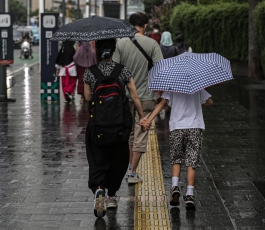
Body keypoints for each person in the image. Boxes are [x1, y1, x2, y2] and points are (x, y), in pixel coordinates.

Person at [83, 38, 146, 217]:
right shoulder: (123, 70)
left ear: (98, 50)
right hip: (120, 127)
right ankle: (111, 196)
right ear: (113, 50)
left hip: (98, 128)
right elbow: (134, 97)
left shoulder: (90, 72)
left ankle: (99, 189)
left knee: (97, 160)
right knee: (118, 161)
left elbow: (88, 98)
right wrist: (142, 117)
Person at [140, 90, 213, 210]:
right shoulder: (198, 87)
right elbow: (210, 102)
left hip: (177, 128)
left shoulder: (173, 87)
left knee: (176, 159)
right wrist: (199, 103)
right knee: (192, 162)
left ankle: (175, 187)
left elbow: (162, 104)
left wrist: (148, 120)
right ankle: (190, 195)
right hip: (194, 127)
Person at [112, 12, 163, 184]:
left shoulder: (121, 43)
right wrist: (160, 91)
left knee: (130, 134)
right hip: (146, 96)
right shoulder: (152, 43)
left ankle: (129, 167)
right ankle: (133, 173)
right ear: (145, 25)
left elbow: (115, 69)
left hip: (126, 97)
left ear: (130, 24)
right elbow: (160, 68)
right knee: (142, 131)